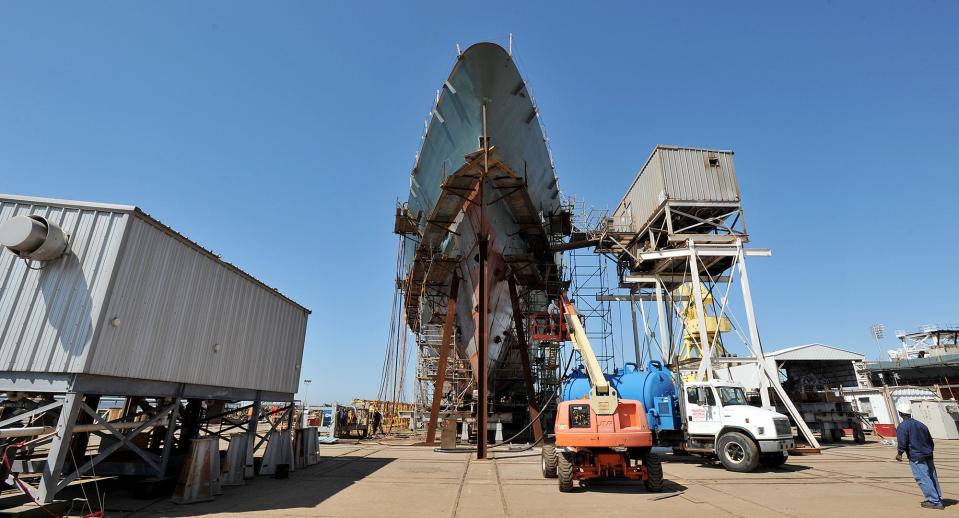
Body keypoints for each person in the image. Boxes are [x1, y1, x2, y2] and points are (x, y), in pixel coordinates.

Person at [896, 400, 944, 510]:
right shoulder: (921, 424)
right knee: (932, 476)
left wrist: (899, 453)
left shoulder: (903, 426)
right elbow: (930, 441)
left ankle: (934, 501)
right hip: (928, 454)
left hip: (916, 456)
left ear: (900, 413)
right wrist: (929, 451)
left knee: (923, 478)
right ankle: (937, 497)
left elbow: (902, 442)